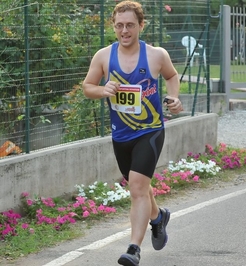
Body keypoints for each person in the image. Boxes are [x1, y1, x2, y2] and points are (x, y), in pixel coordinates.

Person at [82, 1, 183, 265]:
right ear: (113, 26)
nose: (124, 31)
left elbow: (172, 76)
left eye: (129, 25)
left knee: (138, 188)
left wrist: (173, 97)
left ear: (140, 25)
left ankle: (133, 249)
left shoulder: (156, 55)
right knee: (140, 187)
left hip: (149, 131)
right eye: (119, 26)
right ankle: (158, 217)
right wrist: (102, 90)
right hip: (121, 135)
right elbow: (87, 86)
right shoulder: (104, 56)